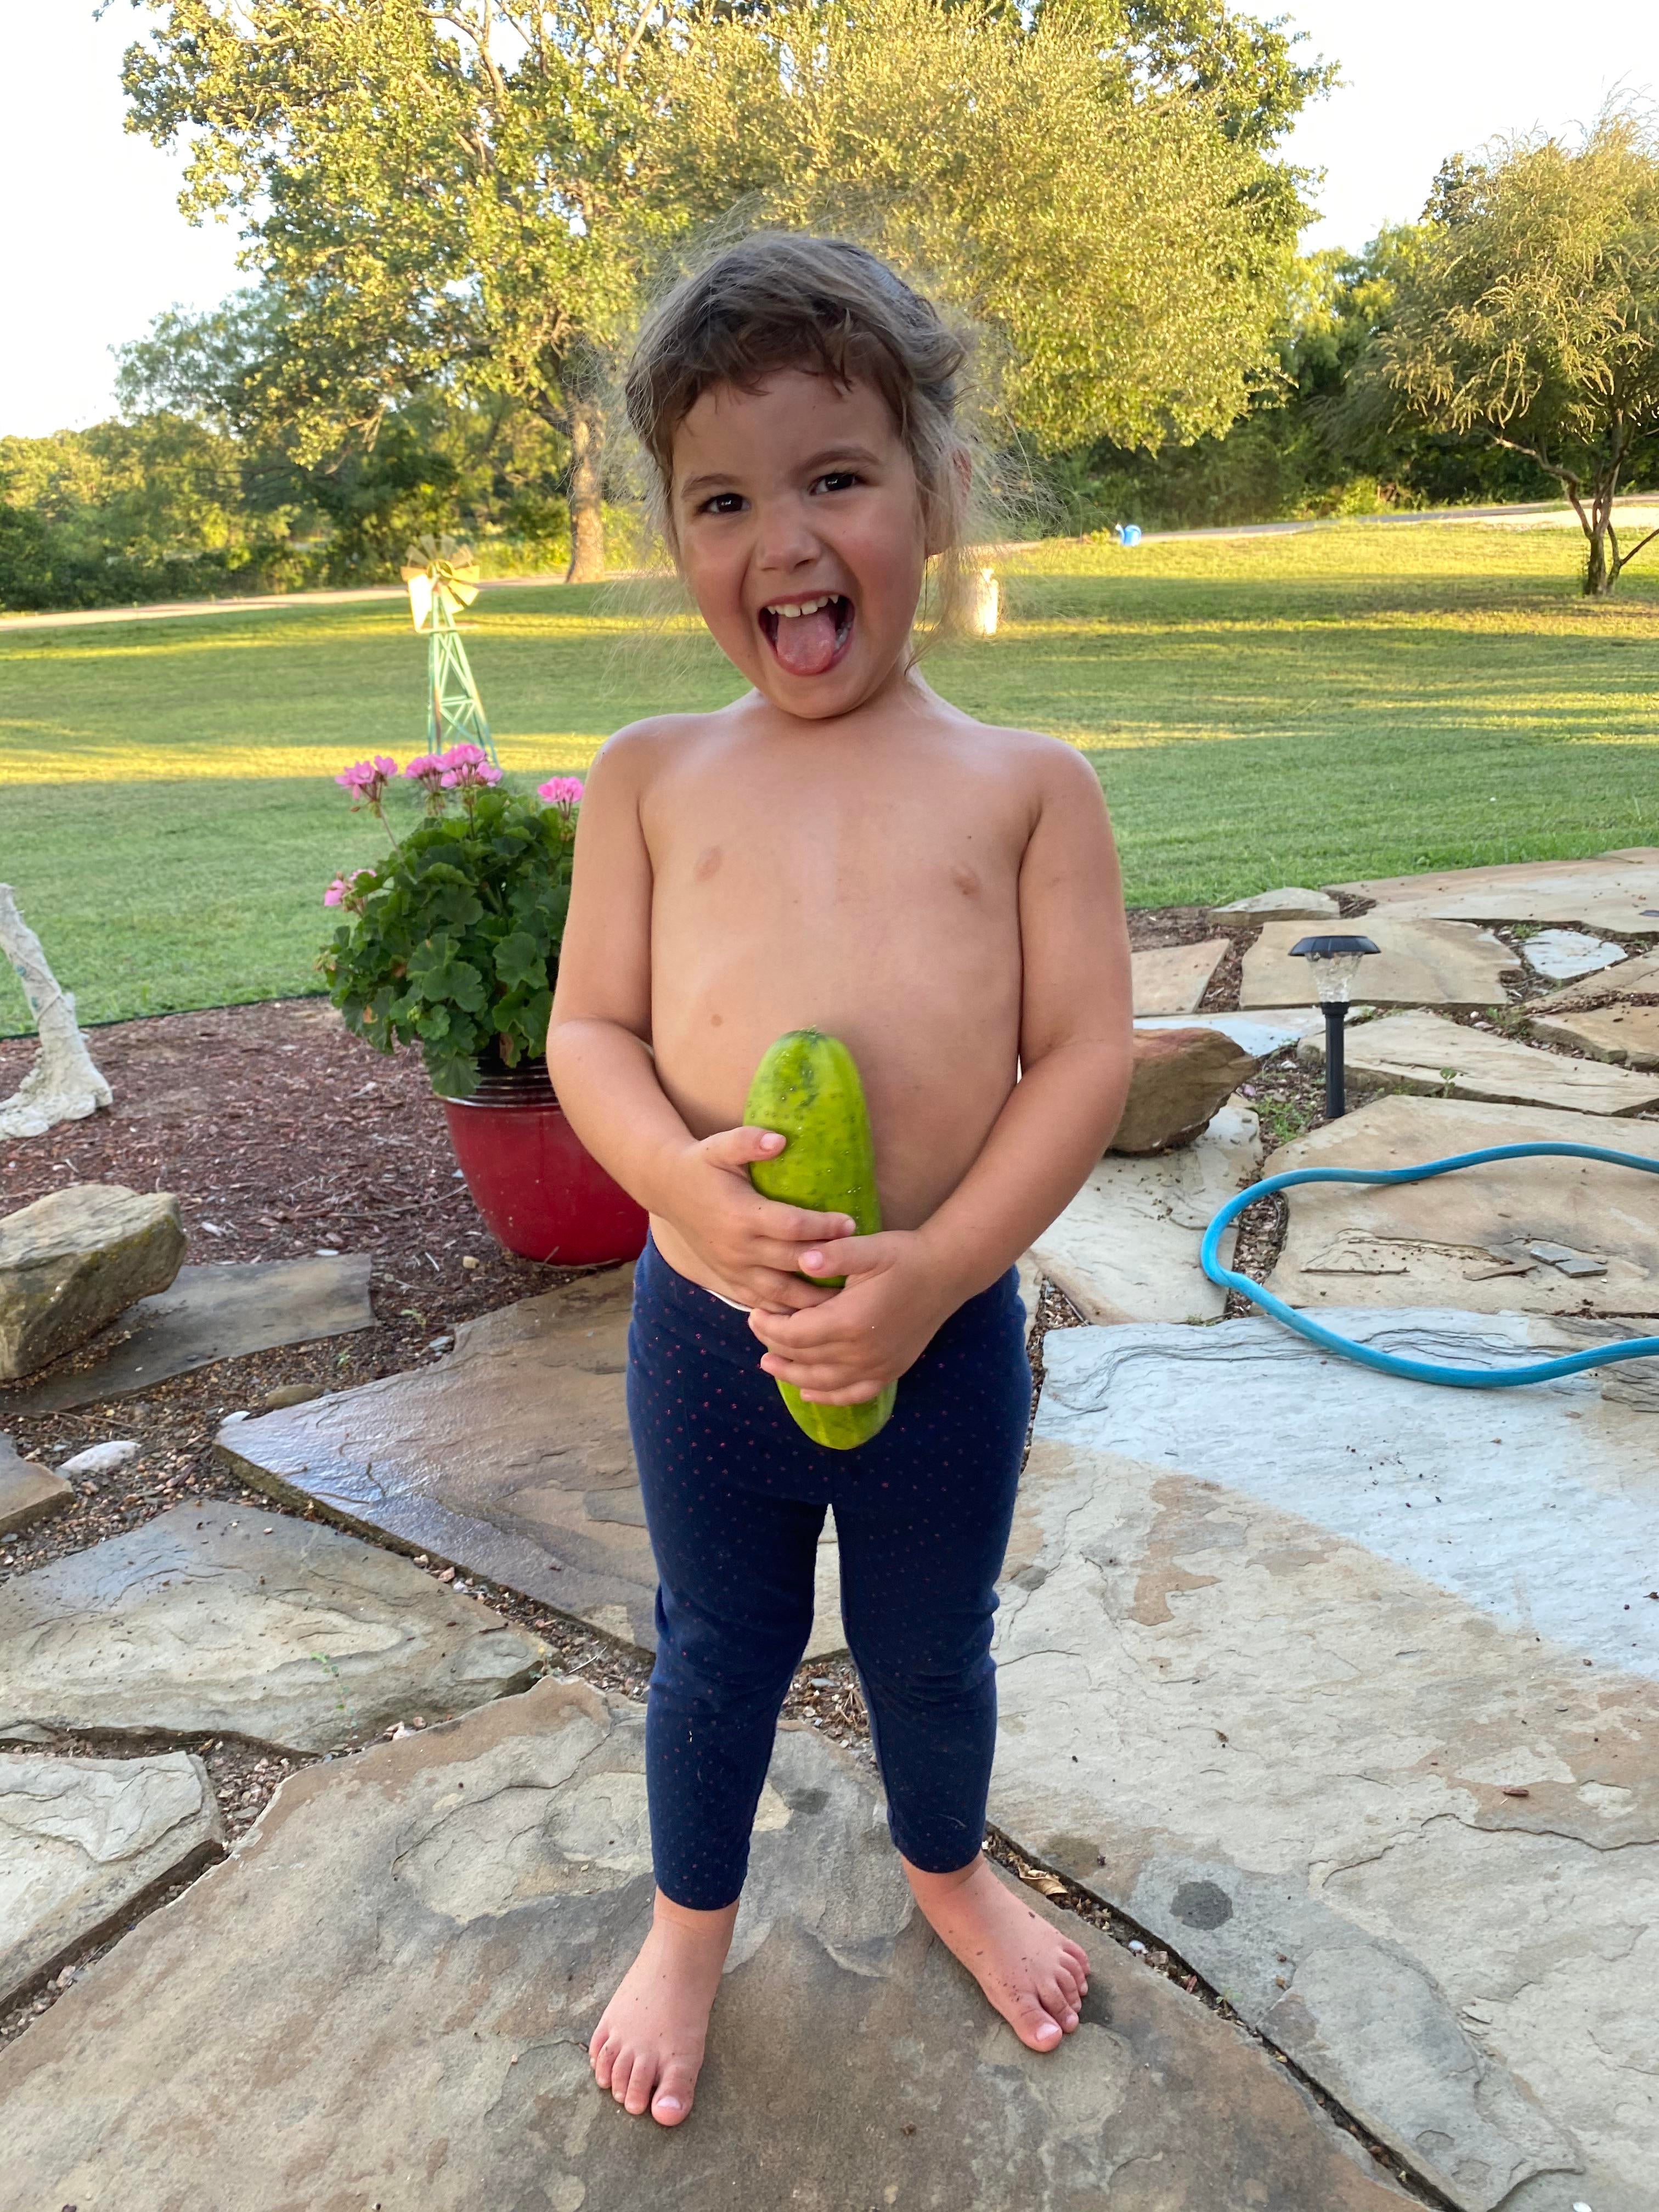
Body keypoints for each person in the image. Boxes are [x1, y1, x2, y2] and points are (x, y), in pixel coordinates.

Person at [547, 232, 1133, 2128]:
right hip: (709, 1335)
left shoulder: (1026, 787)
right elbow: (588, 1038)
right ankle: (688, 1928)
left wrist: (951, 1265)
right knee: (718, 1645)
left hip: (942, 1341)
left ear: (940, 494)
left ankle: (945, 1868)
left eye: (836, 479)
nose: (783, 540)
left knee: (928, 1644)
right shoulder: (649, 776)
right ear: (675, 534)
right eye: (724, 499)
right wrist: (684, 1196)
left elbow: (1089, 1062)